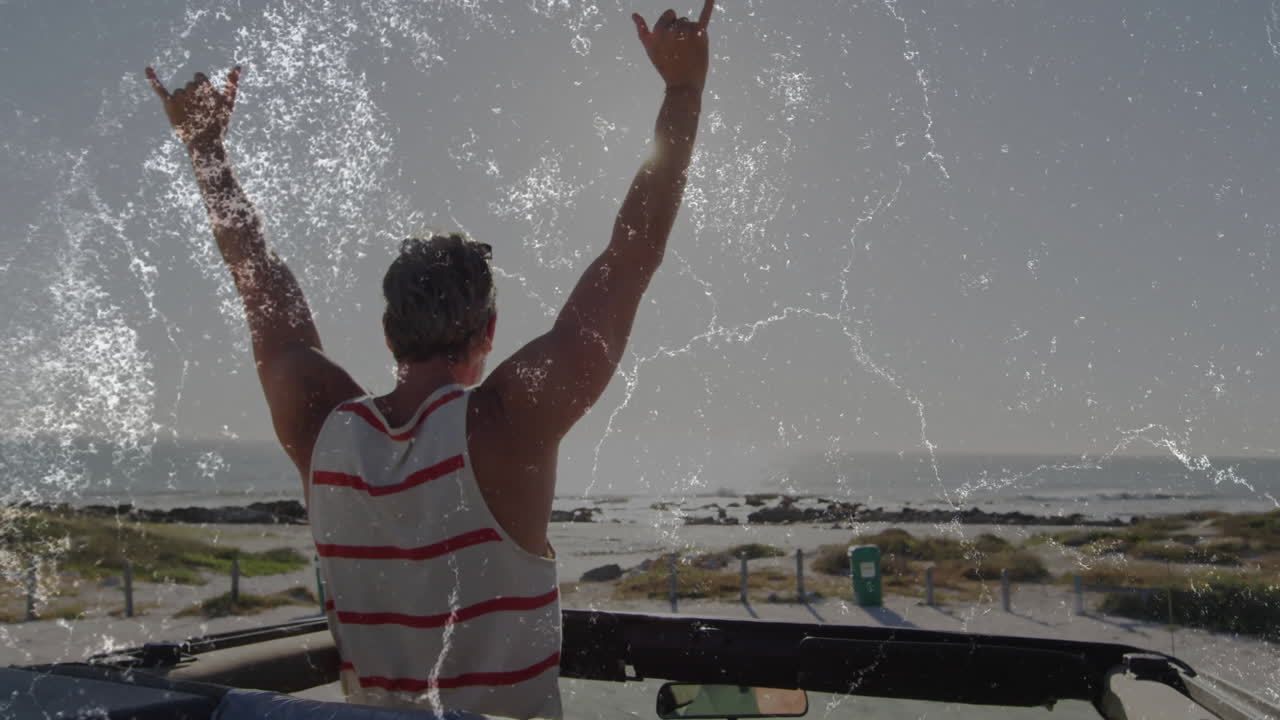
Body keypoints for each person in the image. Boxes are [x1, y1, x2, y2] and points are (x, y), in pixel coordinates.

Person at [146, 2, 715, 717]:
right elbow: (632, 256)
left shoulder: (322, 426)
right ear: (489, 333)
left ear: (388, 334)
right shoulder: (508, 422)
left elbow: (259, 278)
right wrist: (683, 90)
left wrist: (205, 150)